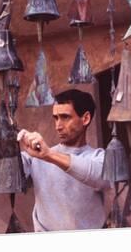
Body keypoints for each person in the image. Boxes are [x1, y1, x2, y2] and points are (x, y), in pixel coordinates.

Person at [16, 89, 110, 232]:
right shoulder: (36, 157)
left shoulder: (98, 157)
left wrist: (48, 155)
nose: (58, 126)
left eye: (65, 117)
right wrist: (1, 142)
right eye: (56, 118)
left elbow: (97, 175)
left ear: (85, 119)